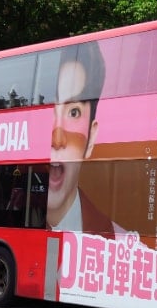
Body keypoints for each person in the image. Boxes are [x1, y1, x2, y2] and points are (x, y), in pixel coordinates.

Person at [47, 41, 125, 237]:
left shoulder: (116, 239)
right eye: (48, 110)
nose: (57, 138)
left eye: (73, 112)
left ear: (91, 139)